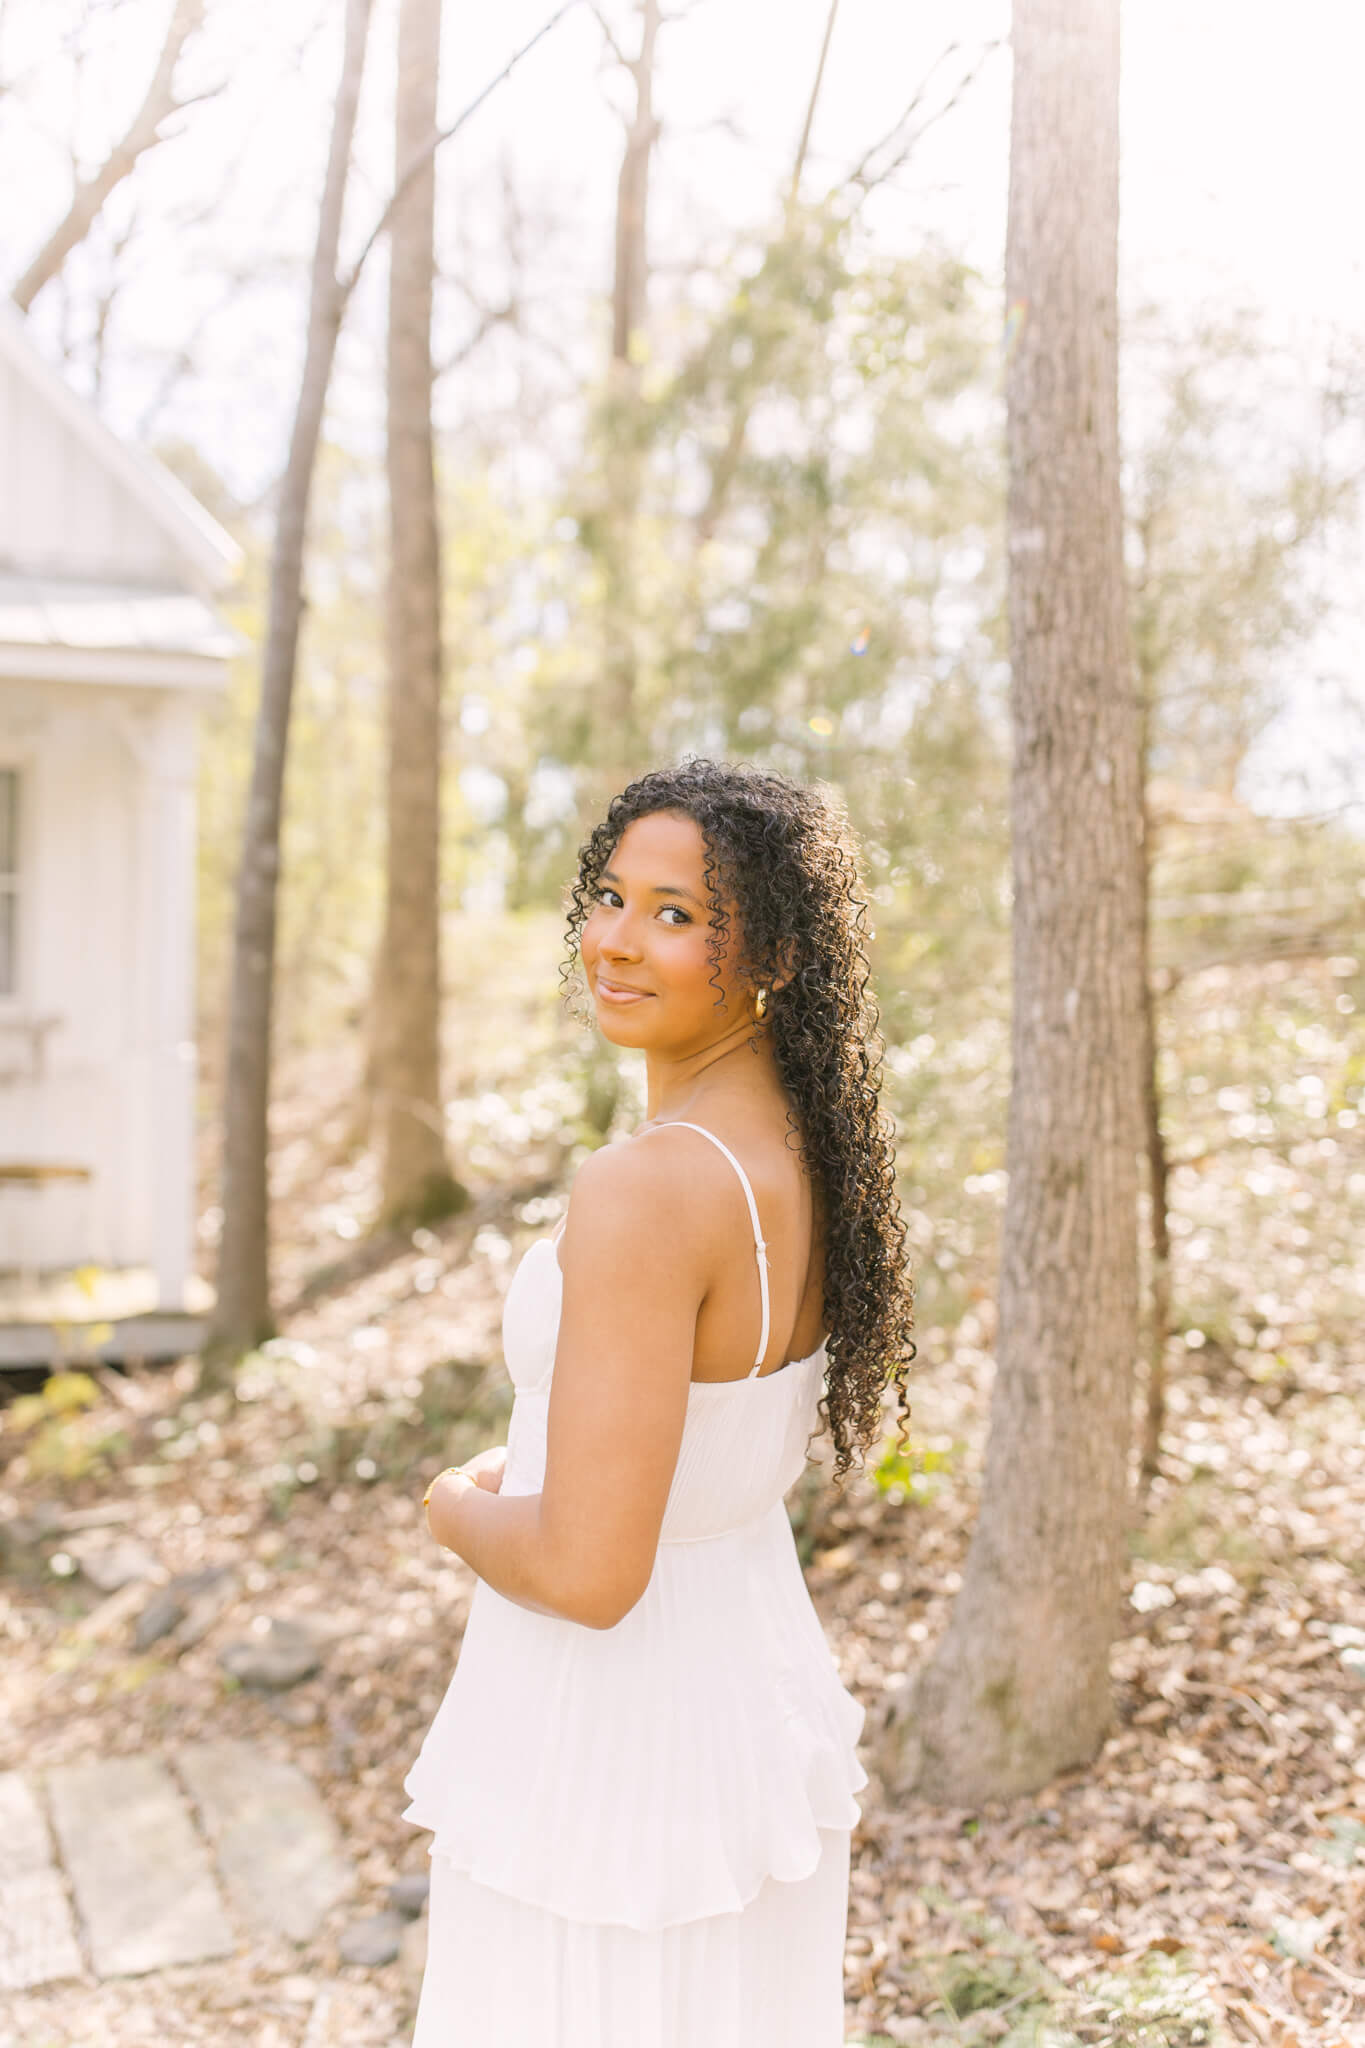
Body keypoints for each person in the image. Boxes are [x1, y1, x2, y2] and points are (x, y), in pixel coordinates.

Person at [401, 756, 917, 2047]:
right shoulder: (793, 1151)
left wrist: (454, 1506)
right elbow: (697, 1458)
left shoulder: (646, 1190)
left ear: (776, 958)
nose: (618, 943)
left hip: (607, 1755)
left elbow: (588, 1571)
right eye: (613, 899)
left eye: (677, 914)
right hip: (739, 1723)